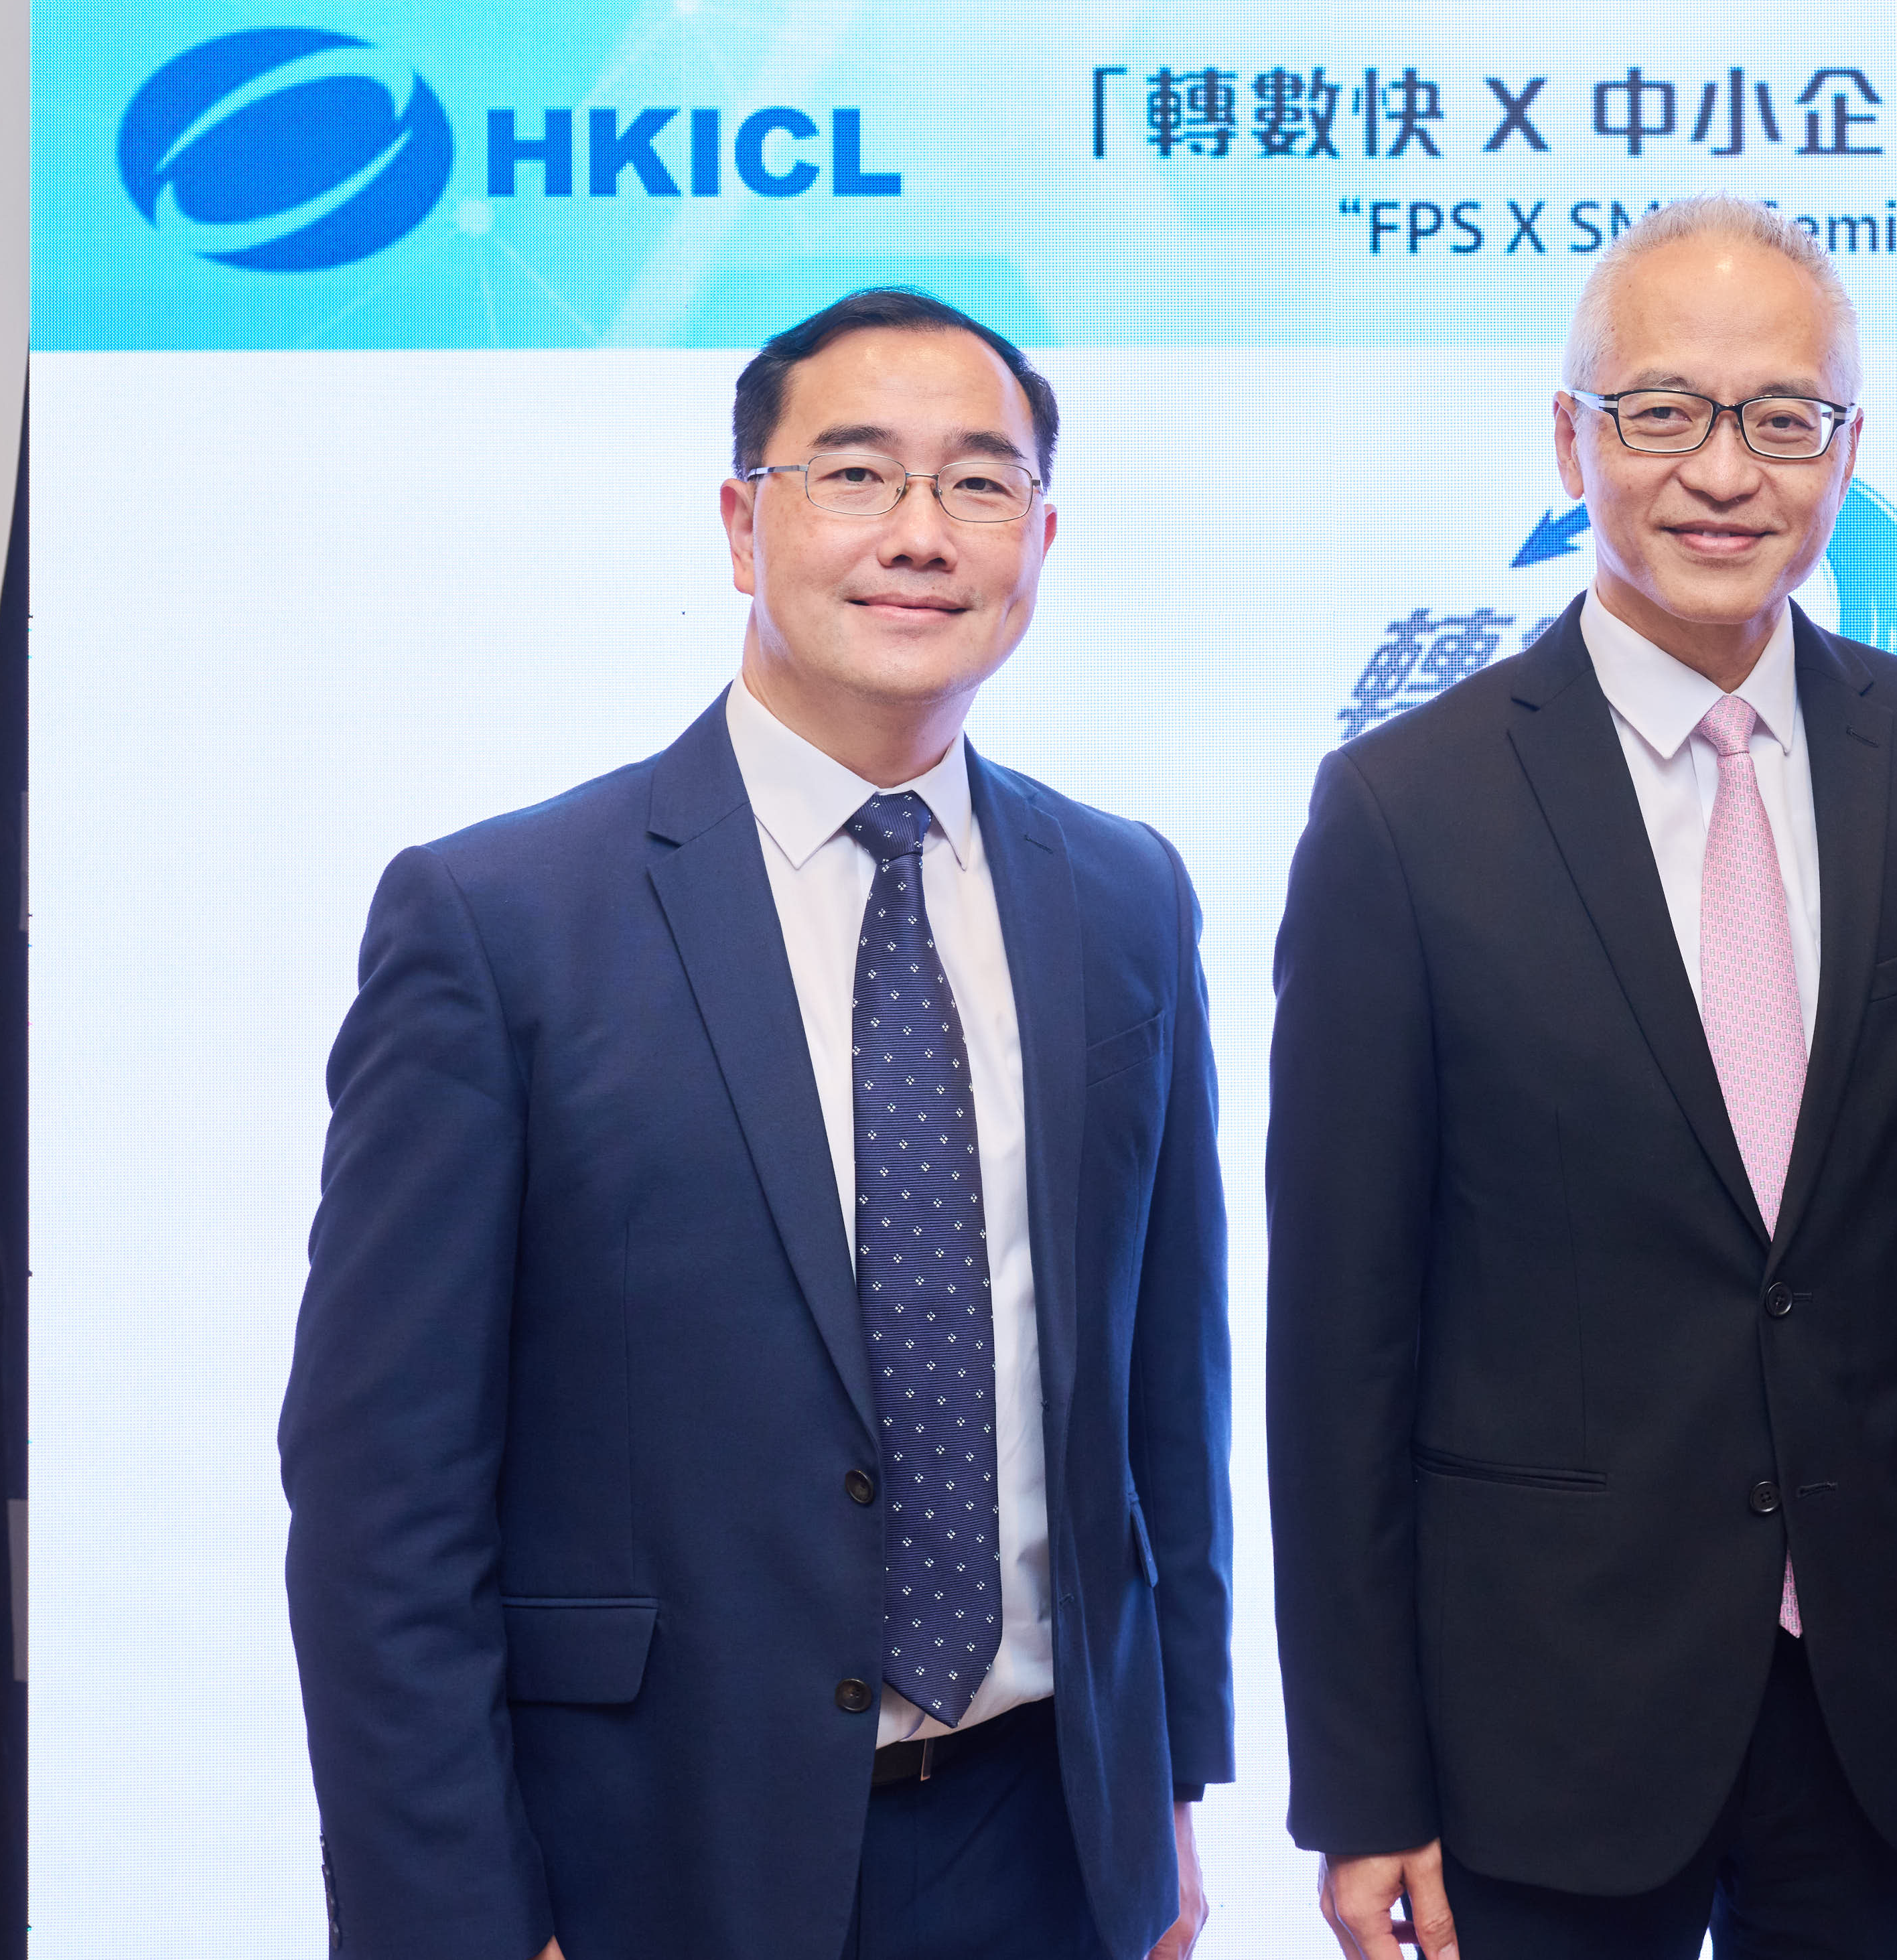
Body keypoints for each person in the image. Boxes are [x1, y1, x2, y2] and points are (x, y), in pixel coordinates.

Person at [279, 288, 1233, 1960]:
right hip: (656, 1861)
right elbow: (383, 1502)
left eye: (980, 484)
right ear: (744, 520)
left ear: (1042, 535)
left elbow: (1166, 1402)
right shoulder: (500, 923)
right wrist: (461, 1924)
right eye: (855, 473)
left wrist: (1163, 1799)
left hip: (1047, 1846)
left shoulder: (1125, 897)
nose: (921, 535)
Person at [1267, 196, 1897, 1960]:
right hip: (1542, 1726)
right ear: (1571, 438)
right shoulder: (1405, 813)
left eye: (1782, 415)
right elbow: (1342, 1343)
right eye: (1663, 409)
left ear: (1849, 450)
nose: (1725, 468)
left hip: (1891, 1700)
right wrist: (1359, 1779)